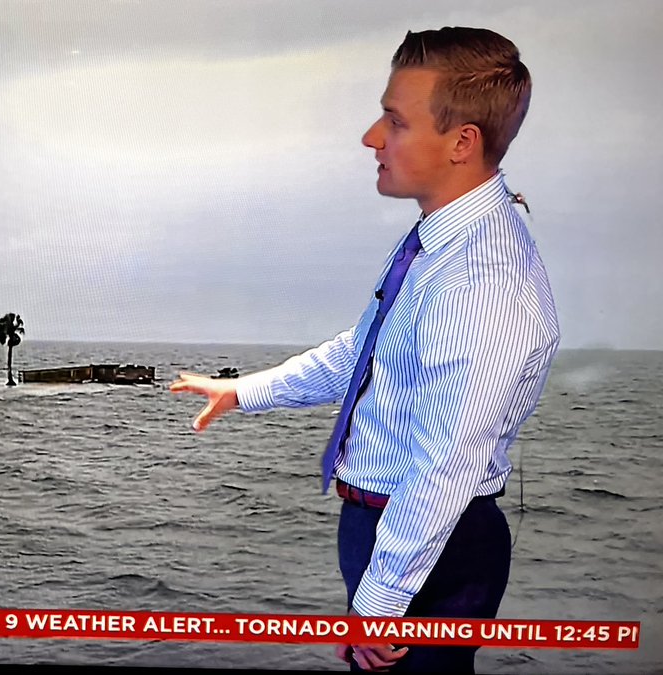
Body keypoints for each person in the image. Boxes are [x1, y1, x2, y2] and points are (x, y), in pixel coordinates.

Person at [170, 27, 560, 673]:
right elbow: (368, 352)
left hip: (431, 548)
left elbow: (446, 466)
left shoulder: (483, 282)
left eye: (395, 121)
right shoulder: (440, 244)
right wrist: (243, 390)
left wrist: (378, 605)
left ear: (462, 142)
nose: (372, 137)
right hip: (391, 532)